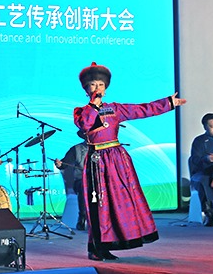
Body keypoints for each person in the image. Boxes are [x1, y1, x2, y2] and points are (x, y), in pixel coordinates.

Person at [73, 62, 187, 261]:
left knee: (119, 202)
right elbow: (85, 124)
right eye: (93, 85)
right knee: (99, 204)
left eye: (101, 84)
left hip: (117, 160)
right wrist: (93, 105)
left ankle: (112, 243)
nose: (97, 88)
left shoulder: (116, 109)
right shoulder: (81, 111)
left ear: (106, 88)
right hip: (97, 162)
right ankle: (96, 248)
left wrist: (168, 103)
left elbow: (142, 109)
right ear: (86, 90)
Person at [54, 130, 88, 230]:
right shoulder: (76, 149)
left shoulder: (101, 149)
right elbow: (65, 163)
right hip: (81, 180)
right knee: (84, 186)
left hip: (99, 180)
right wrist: (60, 164)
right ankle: (82, 217)